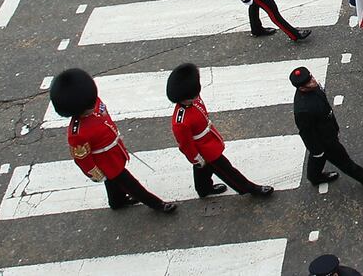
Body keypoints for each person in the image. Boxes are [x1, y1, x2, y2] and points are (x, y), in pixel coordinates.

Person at [49, 68, 176, 214]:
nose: (92, 107)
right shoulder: (77, 134)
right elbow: (82, 159)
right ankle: (157, 204)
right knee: (131, 185)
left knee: (112, 183)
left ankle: (117, 202)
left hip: (114, 151)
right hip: (106, 163)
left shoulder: (92, 101)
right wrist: (97, 175)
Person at [166, 62, 276, 198]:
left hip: (209, 140)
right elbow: (186, 145)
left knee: (203, 169)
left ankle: (203, 189)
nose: (196, 96)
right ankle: (250, 189)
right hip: (205, 150)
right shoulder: (180, 121)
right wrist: (197, 158)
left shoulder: (192, 98)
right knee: (227, 171)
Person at [289, 66, 363, 188]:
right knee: (344, 161)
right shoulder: (303, 109)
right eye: (309, 82)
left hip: (329, 131)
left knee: (318, 158)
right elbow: (306, 133)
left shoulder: (313, 88)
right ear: (301, 87)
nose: (313, 81)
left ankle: (314, 176)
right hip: (325, 140)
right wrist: (317, 150)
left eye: (312, 77)